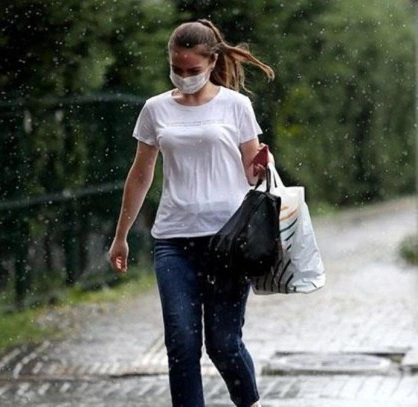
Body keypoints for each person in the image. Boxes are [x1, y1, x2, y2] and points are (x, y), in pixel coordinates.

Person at [108, 19, 274, 407]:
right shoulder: (155, 109)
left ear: (212, 61)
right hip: (173, 241)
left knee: (224, 345)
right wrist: (121, 236)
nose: (184, 76)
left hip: (228, 241)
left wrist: (262, 166)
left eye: (193, 70)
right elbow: (141, 174)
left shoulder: (237, 106)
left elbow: (254, 171)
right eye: (177, 69)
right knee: (181, 345)